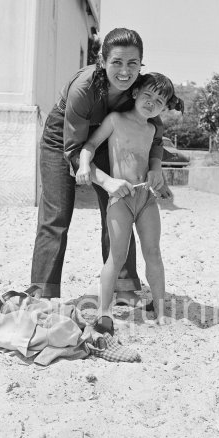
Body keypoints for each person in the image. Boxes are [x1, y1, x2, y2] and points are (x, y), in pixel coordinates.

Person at [26, 28, 171, 301]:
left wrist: (155, 168)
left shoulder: (141, 90)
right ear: (102, 61)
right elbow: (74, 150)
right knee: (56, 215)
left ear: (141, 65)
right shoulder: (84, 87)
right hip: (64, 140)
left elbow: (156, 134)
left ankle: (125, 287)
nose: (125, 71)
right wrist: (106, 180)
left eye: (133, 63)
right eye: (116, 62)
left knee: (120, 203)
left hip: (105, 137)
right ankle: (42, 293)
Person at [76, 73, 183, 332]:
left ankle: (159, 310)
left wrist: (162, 184)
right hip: (121, 197)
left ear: (165, 106)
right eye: (147, 95)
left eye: (159, 100)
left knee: (154, 253)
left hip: (146, 197)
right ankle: (104, 313)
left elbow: (150, 160)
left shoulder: (152, 129)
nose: (151, 102)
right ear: (135, 93)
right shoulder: (116, 120)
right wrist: (82, 165)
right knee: (117, 255)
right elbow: (90, 144)